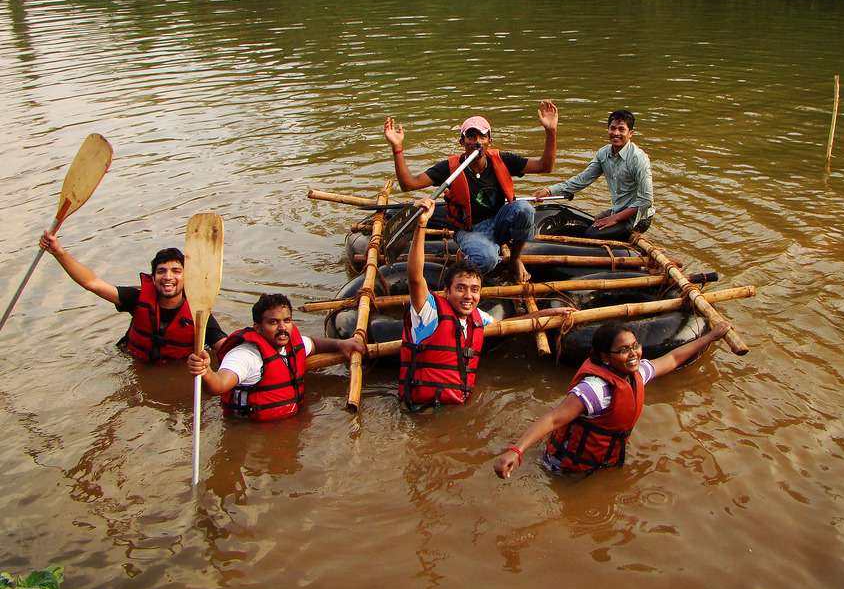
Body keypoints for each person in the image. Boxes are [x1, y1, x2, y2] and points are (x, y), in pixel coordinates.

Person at [493, 320, 731, 478]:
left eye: (635, 346)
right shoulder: (595, 389)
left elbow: (672, 359)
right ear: (605, 358)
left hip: (603, 458)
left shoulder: (636, 373)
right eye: (624, 350)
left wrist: (710, 336)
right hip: (566, 467)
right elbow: (554, 419)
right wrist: (516, 450)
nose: (633, 353)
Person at [400, 198, 572, 410]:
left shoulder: (477, 318)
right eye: (461, 288)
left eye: (474, 290)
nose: (468, 296)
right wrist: (421, 225)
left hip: (456, 408)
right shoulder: (429, 311)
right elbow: (415, 277)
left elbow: (514, 323)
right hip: (422, 411)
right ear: (446, 291)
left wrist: (553, 312)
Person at [384, 100, 559, 282]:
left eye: (482, 137)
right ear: (462, 141)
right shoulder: (450, 168)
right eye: (471, 136)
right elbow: (408, 184)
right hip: (469, 230)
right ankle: (467, 255)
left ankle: (515, 259)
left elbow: (544, 166)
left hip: (498, 221)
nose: (477, 142)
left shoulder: (502, 160)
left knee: (525, 209)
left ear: (489, 141)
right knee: (488, 259)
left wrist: (551, 131)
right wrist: (397, 147)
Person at [39, 231, 226, 362]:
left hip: (176, 366)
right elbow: (92, 283)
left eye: (176, 271)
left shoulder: (200, 314)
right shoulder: (136, 299)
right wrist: (58, 252)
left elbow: (224, 347)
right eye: (161, 271)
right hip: (133, 360)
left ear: (187, 278)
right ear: (153, 278)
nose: (168, 277)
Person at [187, 293, 365, 422]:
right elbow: (218, 385)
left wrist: (341, 344)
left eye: (287, 321)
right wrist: (206, 371)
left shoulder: (290, 343)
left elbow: (314, 344)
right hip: (250, 432)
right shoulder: (246, 355)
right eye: (273, 322)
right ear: (257, 327)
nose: (282, 327)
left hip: (289, 424)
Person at [534, 109, 654, 240]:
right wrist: (549, 191)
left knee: (591, 234)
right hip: (618, 209)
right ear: (608, 129)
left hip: (639, 218)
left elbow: (645, 201)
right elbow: (581, 180)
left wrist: (613, 219)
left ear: (631, 133)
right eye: (612, 128)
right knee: (584, 224)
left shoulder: (639, 159)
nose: (616, 133)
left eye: (621, 129)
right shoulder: (603, 154)